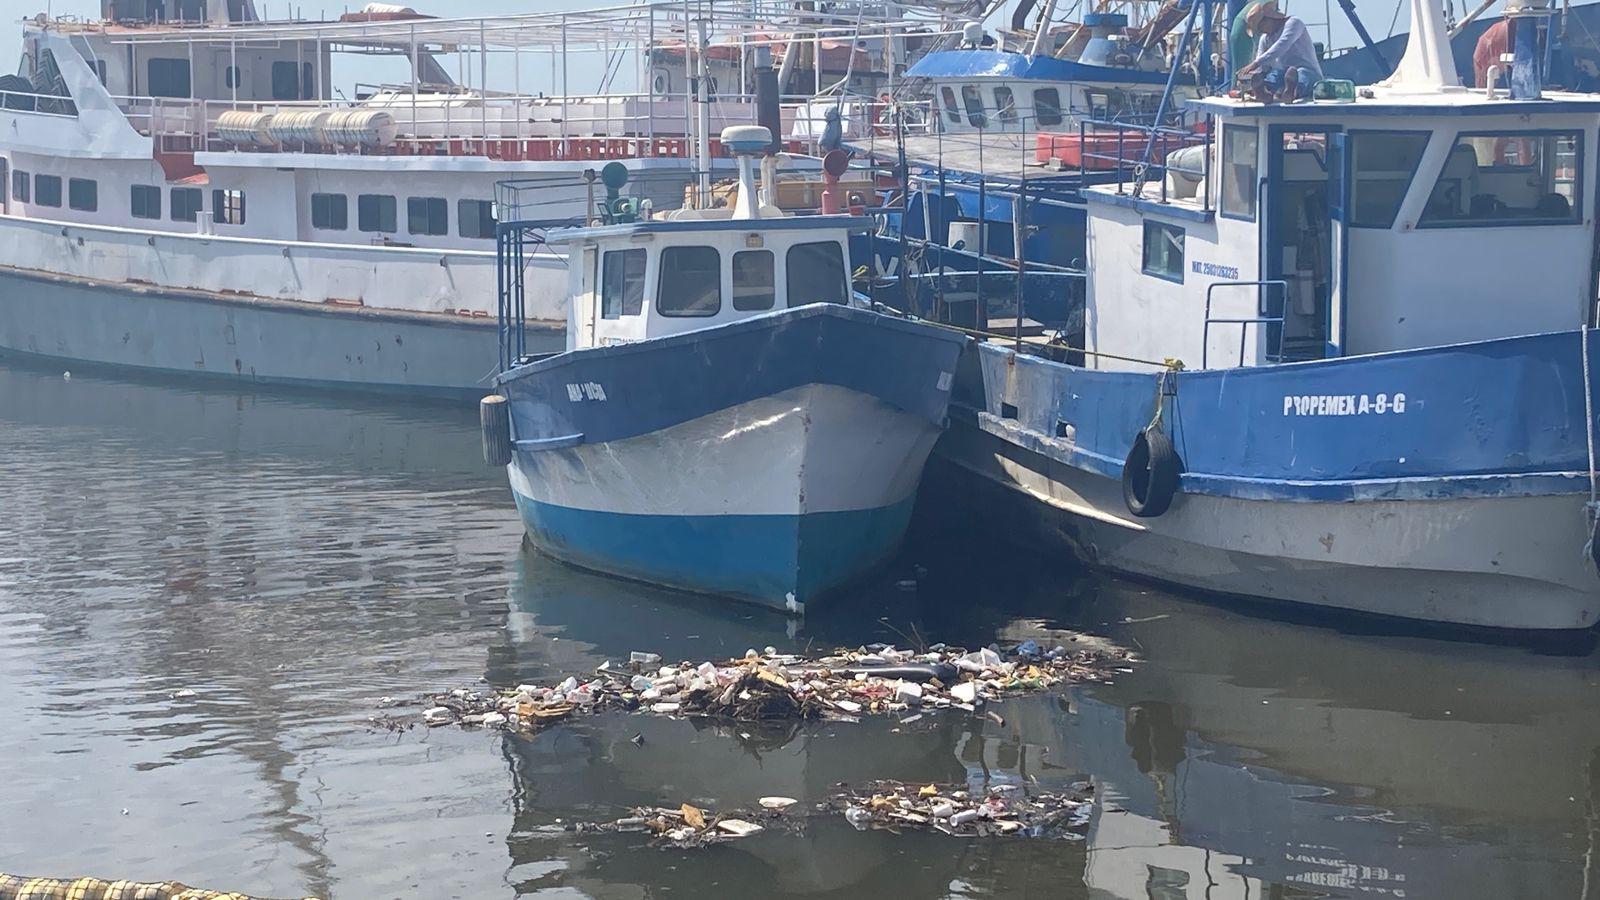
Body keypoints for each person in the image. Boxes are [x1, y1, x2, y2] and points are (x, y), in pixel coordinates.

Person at [1237, 1, 1323, 101]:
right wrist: (1249, 76)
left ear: (1268, 19)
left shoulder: (1294, 23)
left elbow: (1282, 45)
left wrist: (1256, 63)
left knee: (1302, 75)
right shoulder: (1265, 38)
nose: (1260, 31)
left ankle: (1293, 92)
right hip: (1284, 73)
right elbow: (1262, 66)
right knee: (1275, 75)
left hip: (1308, 71)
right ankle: (1265, 92)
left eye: (1259, 26)